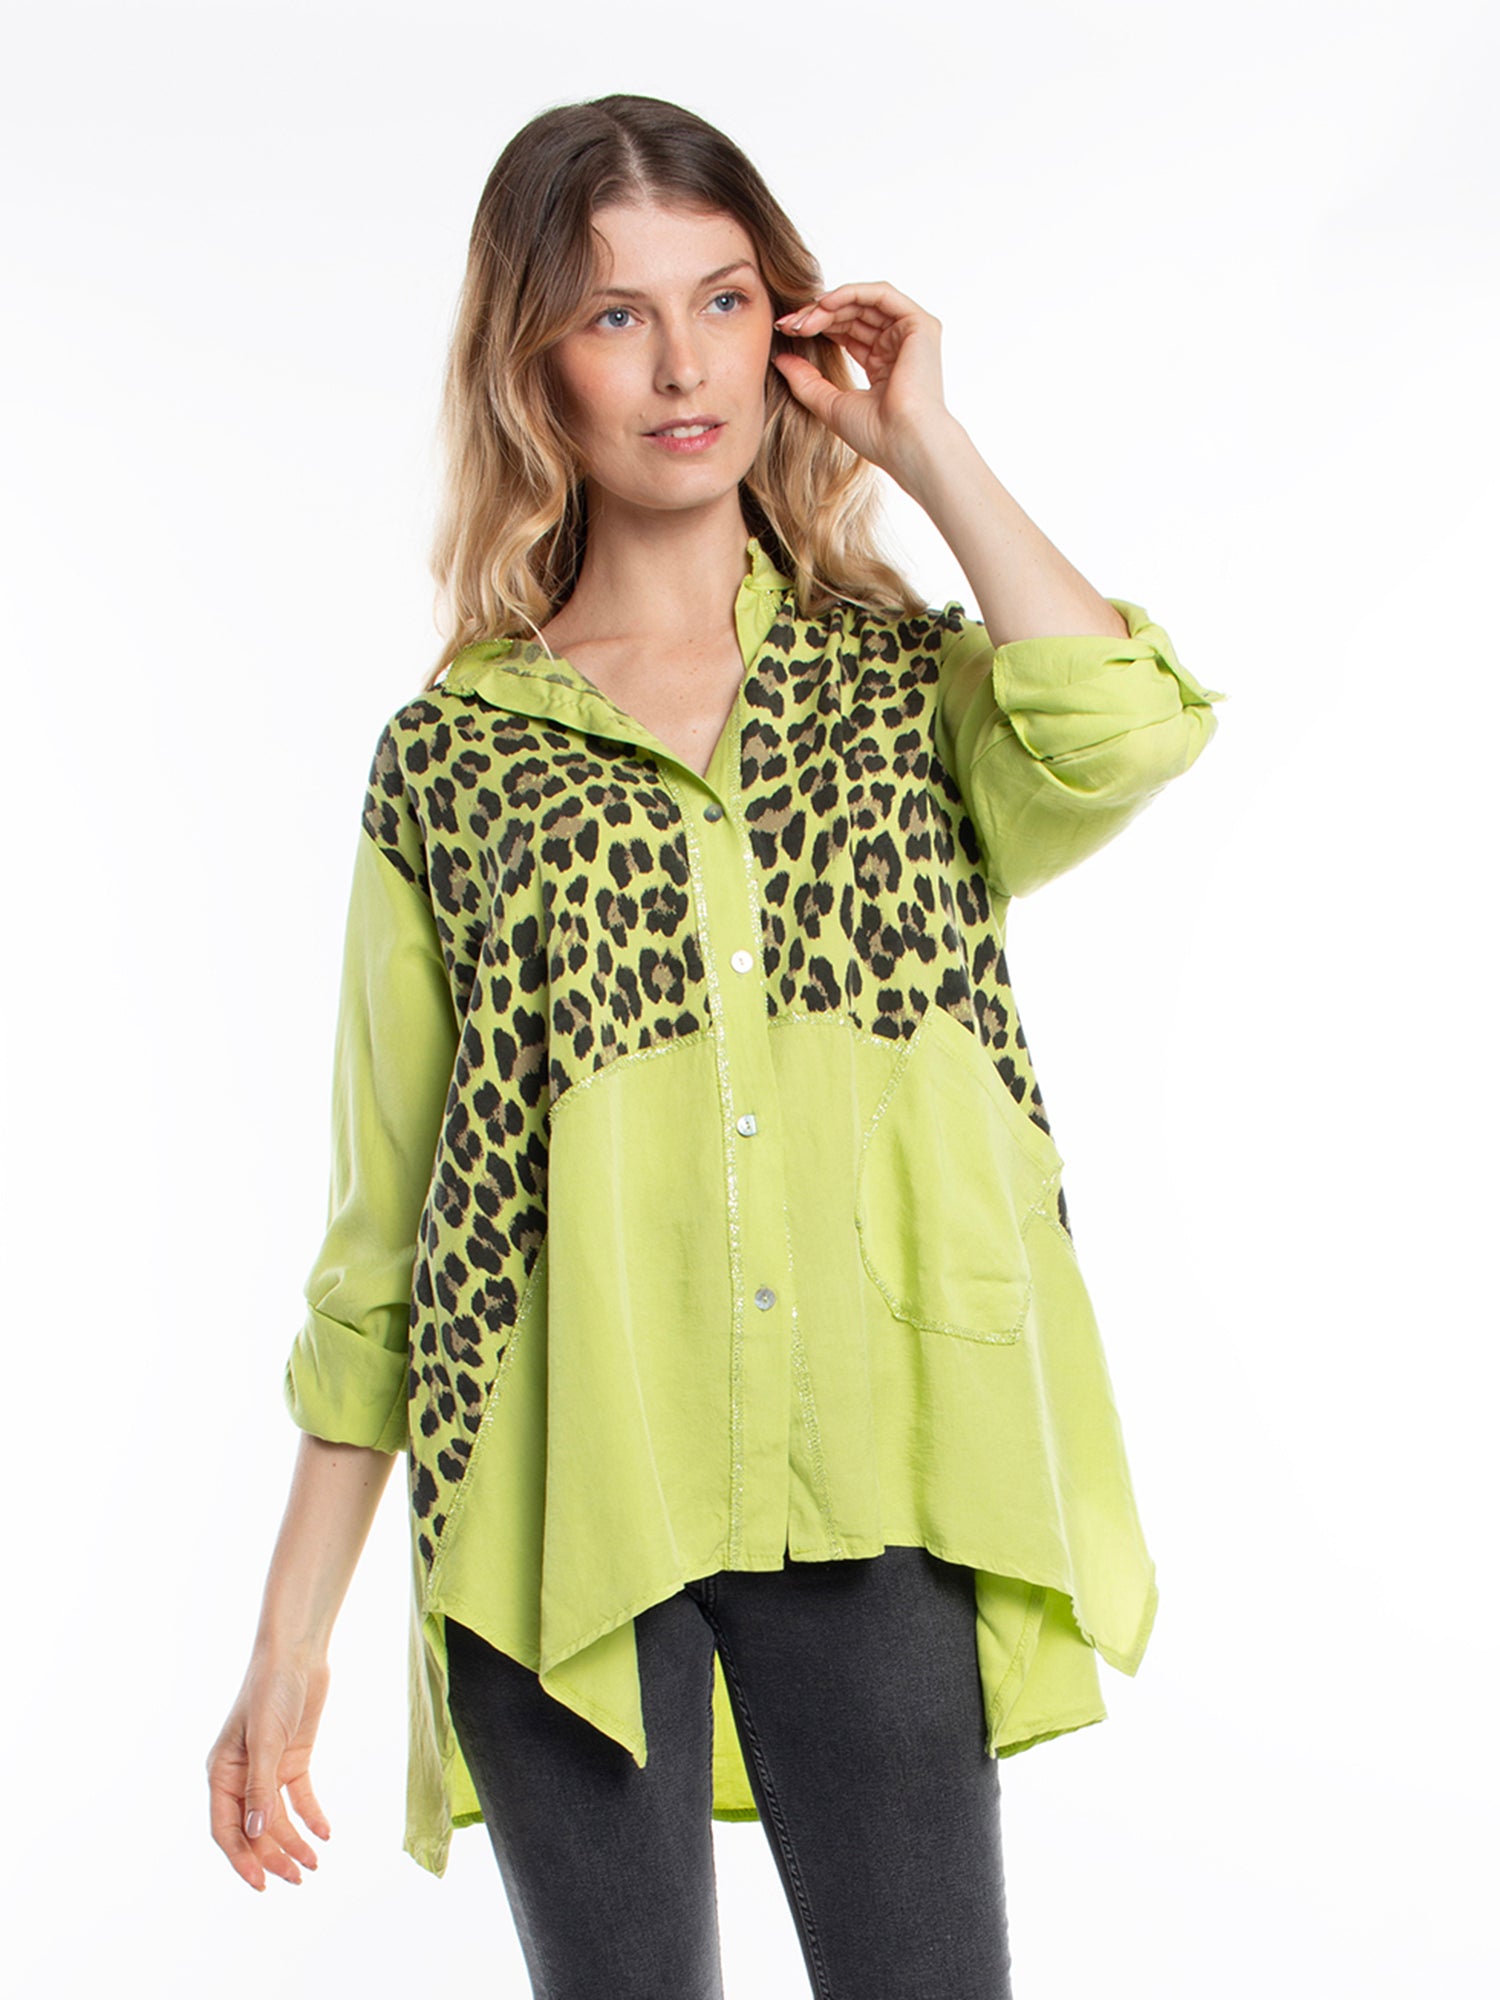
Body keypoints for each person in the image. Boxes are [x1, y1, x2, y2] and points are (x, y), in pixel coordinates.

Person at [206, 91, 1224, 2000]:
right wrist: (290, 1641)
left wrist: (927, 443)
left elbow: (1127, 730)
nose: (683, 365)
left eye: (726, 300)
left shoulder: (909, 689)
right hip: (558, 1512)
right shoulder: (457, 759)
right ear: (535, 367)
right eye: (616, 314)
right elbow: (386, 1243)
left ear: (785, 328)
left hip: (877, 1481)